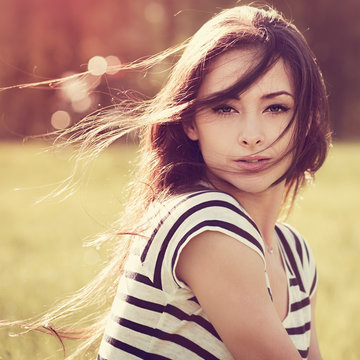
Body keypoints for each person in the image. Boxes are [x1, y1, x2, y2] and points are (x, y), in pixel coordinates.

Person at [3, 4, 331, 360]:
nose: (251, 135)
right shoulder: (204, 223)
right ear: (190, 122)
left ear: (309, 118)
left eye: (276, 107)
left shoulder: (296, 256)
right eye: (224, 108)